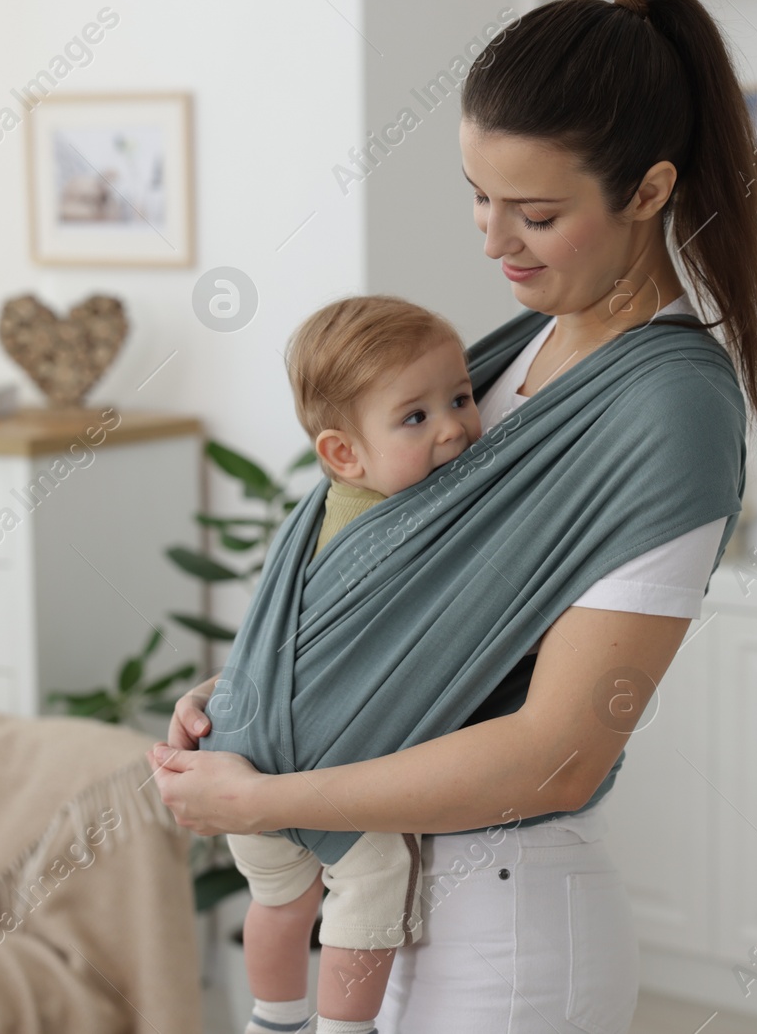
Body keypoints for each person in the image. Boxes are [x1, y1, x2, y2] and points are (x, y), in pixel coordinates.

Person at [150, 0, 757, 1032]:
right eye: (479, 198)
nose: (496, 240)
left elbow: (561, 747)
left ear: (647, 190)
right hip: (383, 890)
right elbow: (429, 612)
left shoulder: (667, 406)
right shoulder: (513, 352)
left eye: (537, 214)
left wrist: (265, 799)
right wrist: (259, 696)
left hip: (500, 927)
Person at [221, 293, 484, 1034]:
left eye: (460, 396)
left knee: (279, 900)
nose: (456, 427)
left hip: (249, 743)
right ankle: (345, 1028)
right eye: (416, 417)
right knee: (368, 891)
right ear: (344, 453)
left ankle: (272, 1020)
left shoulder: (320, 515)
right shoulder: (407, 528)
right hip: (329, 761)